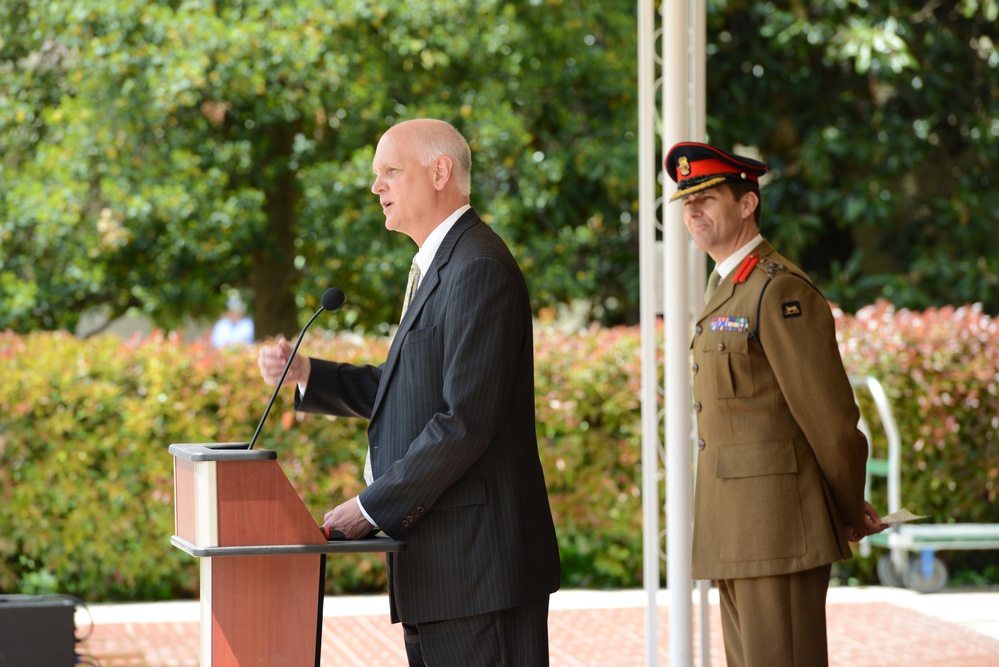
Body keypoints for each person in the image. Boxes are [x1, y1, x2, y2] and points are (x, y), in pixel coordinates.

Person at [257, 119, 561, 666]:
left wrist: (371, 508)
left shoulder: (478, 268)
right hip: (443, 572)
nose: (377, 188)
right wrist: (309, 374)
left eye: (390, 172)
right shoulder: (441, 264)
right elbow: (407, 390)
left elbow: (464, 421)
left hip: (476, 574)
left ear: (439, 171)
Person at [665, 141, 887, 667]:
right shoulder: (727, 288)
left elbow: (831, 421)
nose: (694, 211)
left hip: (779, 530)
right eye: (686, 202)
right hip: (738, 528)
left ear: (747, 204)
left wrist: (847, 507)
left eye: (709, 198)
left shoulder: (779, 289)